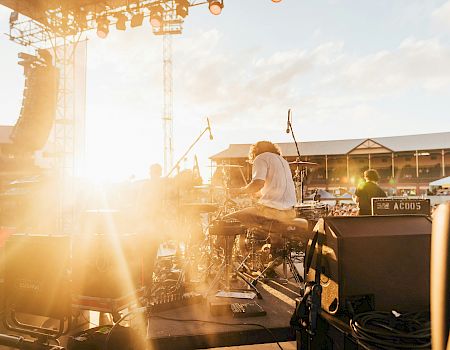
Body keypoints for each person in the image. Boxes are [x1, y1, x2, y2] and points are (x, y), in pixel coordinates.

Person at [226, 141, 308, 249]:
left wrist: (239, 191)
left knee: (228, 222)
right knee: (271, 229)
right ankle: (275, 256)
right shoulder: (283, 161)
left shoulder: (260, 158)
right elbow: (274, 187)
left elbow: (257, 184)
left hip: (272, 212)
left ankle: (228, 262)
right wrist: (258, 194)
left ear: (255, 152)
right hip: (289, 212)